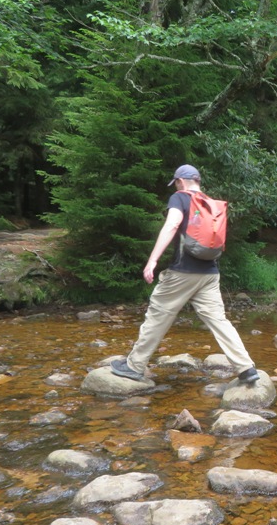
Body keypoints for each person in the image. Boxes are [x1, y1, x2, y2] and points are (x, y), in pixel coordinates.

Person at [110, 164, 260, 384]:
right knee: (219, 321)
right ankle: (246, 368)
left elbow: (172, 226)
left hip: (182, 273)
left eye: (176, 184)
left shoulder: (180, 198)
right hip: (210, 273)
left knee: (157, 315)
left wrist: (152, 260)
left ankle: (134, 366)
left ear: (180, 181)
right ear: (198, 180)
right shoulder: (210, 203)